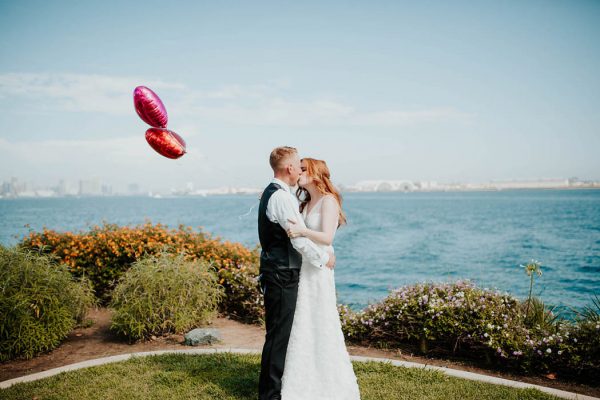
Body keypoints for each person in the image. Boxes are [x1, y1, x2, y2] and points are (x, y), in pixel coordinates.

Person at [257, 147, 336, 400]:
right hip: (283, 273)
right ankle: (270, 395)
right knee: (279, 336)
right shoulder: (282, 198)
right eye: (298, 166)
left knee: (280, 334)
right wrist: (325, 259)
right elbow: (298, 241)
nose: (300, 170)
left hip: (283, 271)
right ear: (289, 168)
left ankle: (275, 388)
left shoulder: (279, 194)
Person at [280, 157, 361, 400]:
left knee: (321, 319)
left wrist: (302, 230)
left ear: (316, 173)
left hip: (320, 268)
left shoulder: (329, 201)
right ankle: (301, 380)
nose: (298, 172)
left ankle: (329, 381)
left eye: (303, 169)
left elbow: (327, 238)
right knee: (302, 321)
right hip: (305, 267)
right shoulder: (303, 203)